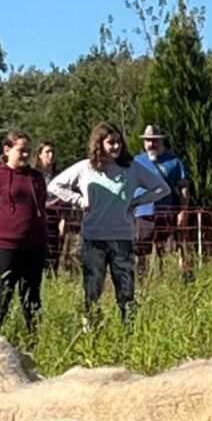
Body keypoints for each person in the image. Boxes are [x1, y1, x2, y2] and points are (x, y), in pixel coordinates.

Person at [46, 121, 172, 323]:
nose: (116, 147)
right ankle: (91, 330)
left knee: (126, 291)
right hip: (93, 238)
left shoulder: (131, 168)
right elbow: (55, 185)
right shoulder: (85, 168)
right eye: (111, 142)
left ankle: (128, 330)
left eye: (119, 142)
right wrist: (78, 200)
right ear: (99, 144)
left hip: (122, 237)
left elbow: (162, 188)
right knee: (92, 290)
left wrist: (137, 201)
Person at [0, 130, 49, 332]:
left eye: (28, 151)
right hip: (5, 246)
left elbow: (41, 206)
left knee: (31, 295)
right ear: (7, 150)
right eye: (21, 150)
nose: (26, 155)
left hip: (34, 246)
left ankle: (33, 340)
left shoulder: (36, 178)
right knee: (2, 294)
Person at [133, 124, 191, 252]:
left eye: (155, 140)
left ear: (161, 141)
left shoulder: (174, 162)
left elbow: (184, 188)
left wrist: (183, 211)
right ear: (144, 142)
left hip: (166, 213)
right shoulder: (135, 162)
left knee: (167, 251)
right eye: (148, 140)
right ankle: (143, 273)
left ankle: (165, 272)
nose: (152, 144)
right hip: (143, 213)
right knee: (141, 251)